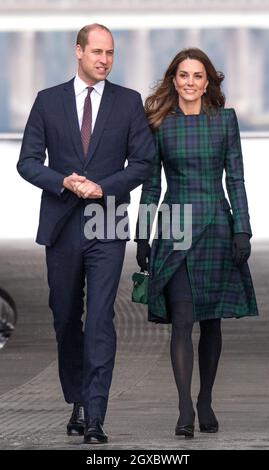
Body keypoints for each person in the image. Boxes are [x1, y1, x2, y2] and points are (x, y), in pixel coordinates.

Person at [17, 23, 155, 444]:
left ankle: (95, 413)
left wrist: (102, 187)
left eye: (110, 53)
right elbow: (27, 161)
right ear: (78, 51)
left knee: (99, 320)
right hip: (61, 225)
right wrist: (64, 181)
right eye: (97, 52)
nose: (105, 60)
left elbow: (143, 163)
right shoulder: (47, 101)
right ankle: (77, 400)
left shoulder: (128, 103)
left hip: (107, 222)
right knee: (64, 318)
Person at [136, 48, 258, 439]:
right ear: (174, 80)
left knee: (211, 321)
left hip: (218, 228)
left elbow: (235, 179)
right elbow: (152, 185)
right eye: (184, 75)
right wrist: (142, 233)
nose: (190, 82)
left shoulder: (225, 122)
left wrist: (244, 229)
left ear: (208, 83)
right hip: (175, 231)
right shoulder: (159, 124)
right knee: (182, 321)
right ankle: (185, 406)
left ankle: (205, 399)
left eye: (197, 76)